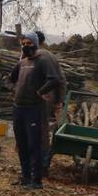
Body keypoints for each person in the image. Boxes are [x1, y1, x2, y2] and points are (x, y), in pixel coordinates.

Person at [7, 31, 63, 190]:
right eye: (23, 44)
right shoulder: (22, 63)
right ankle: (25, 177)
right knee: (22, 144)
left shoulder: (43, 61)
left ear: (35, 44)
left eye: (29, 43)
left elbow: (54, 79)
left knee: (34, 145)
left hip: (34, 109)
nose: (25, 46)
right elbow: (8, 79)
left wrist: (40, 92)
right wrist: (14, 89)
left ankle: (36, 180)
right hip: (18, 109)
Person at [33, 30, 63, 176]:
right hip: (41, 97)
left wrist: (58, 101)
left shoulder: (43, 56)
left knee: (40, 130)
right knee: (38, 130)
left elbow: (58, 80)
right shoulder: (49, 55)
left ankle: (42, 165)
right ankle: (38, 164)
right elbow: (62, 80)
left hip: (42, 97)